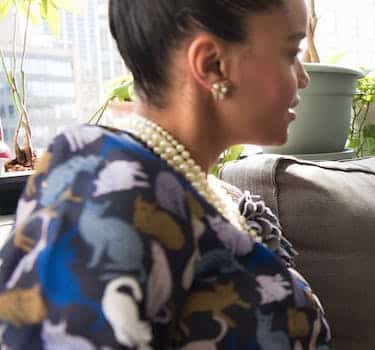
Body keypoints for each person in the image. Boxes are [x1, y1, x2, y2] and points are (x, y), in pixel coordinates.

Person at [0, 0, 332, 348]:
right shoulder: (103, 188)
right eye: (291, 52)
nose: (304, 77)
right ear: (213, 65)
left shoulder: (208, 194)